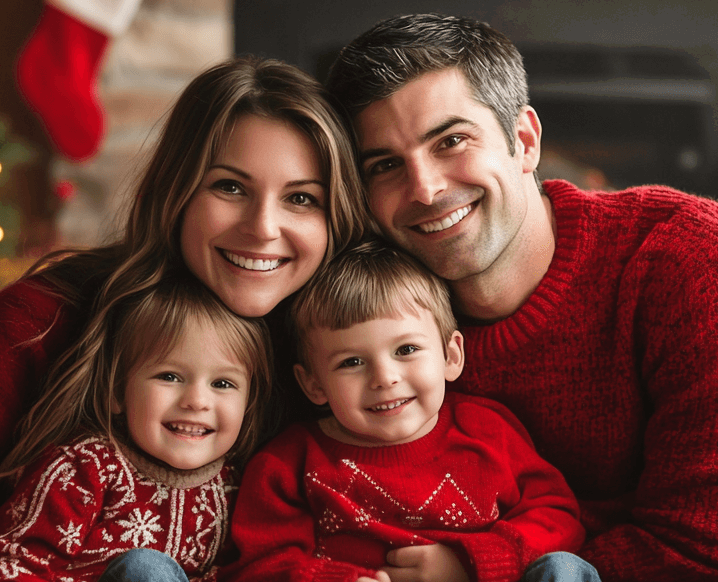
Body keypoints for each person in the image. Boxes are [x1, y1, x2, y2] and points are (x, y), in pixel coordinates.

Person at [324, 14, 718, 582]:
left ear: (525, 141)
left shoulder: (693, 257)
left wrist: (488, 566)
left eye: (452, 141)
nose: (426, 188)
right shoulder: (377, 323)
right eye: (384, 166)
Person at [0, 56, 368, 581]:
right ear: (178, 189)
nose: (264, 228)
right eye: (231, 187)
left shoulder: (347, 349)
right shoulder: (42, 315)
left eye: (302, 198)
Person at [226, 240, 593, 582]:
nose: (384, 378)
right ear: (314, 385)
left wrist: (466, 562)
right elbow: (263, 562)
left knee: (564, 569)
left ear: (451, 356)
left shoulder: (486, 430)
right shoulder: (290, 463)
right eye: (351, 362)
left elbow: (558, 518)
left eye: (406, 350)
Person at [0, 281, 270, 581]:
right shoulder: (84, 468)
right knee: (146, 570)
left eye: (222, 384)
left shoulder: (238, 485)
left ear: (248, 403)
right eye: (169, 376)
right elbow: (11, 562)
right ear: (116, 393)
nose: (196, 401)